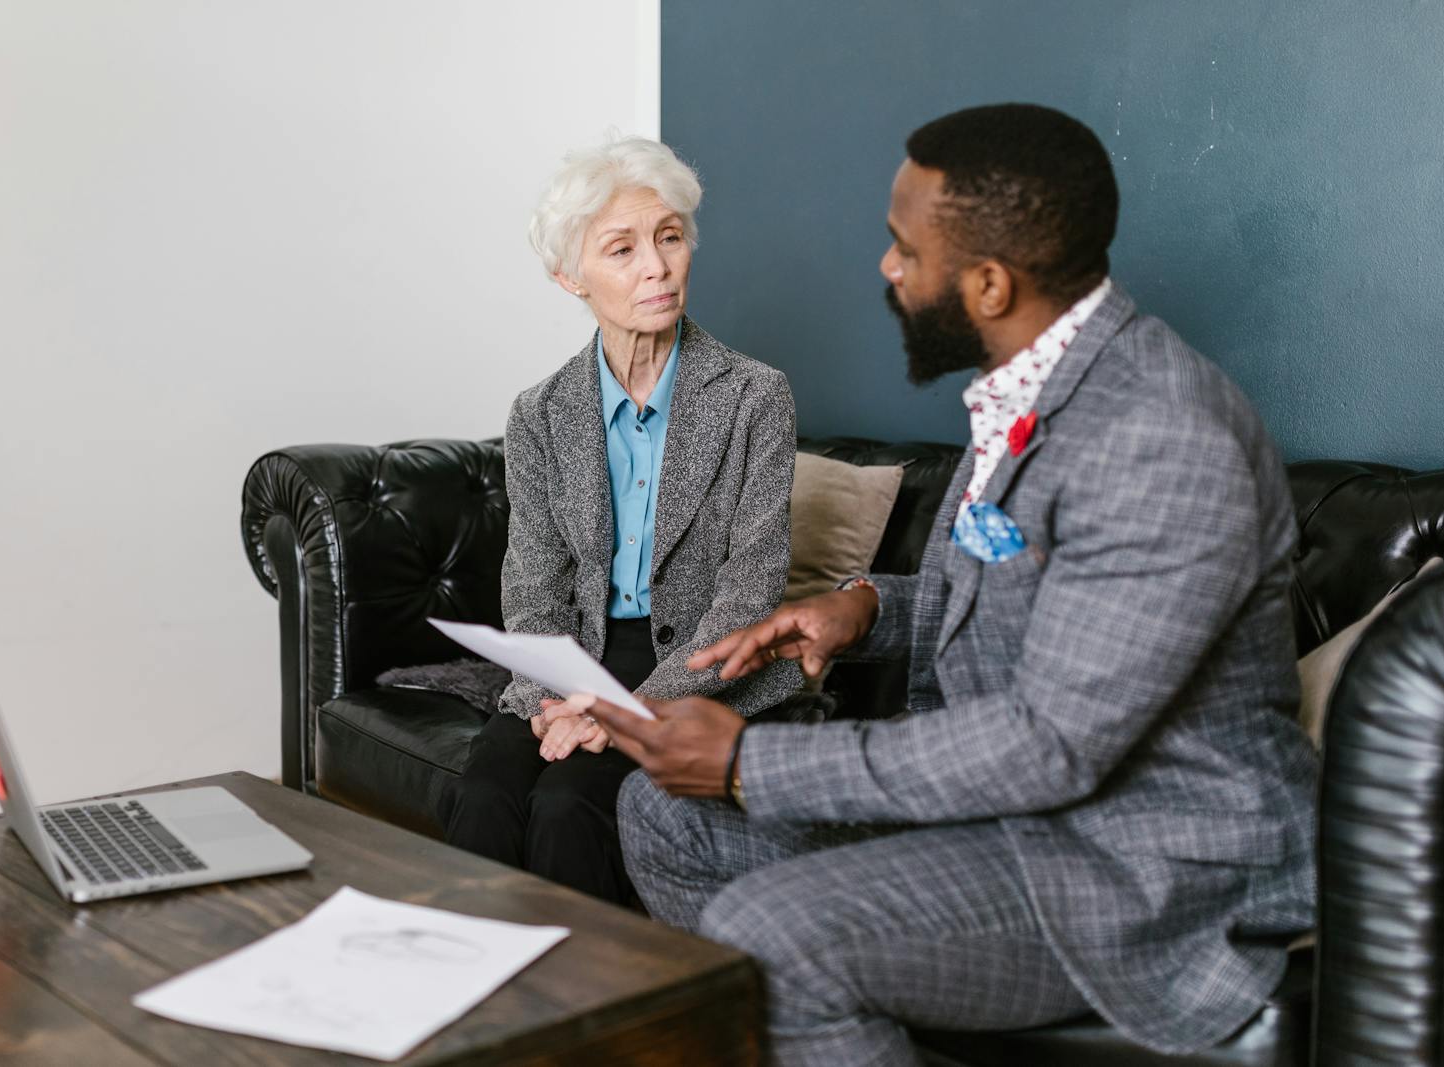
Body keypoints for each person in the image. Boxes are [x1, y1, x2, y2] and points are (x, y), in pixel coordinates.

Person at [585, 104, 1317, 1063]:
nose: (888, 269)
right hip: (1011, 820)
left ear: (988, 281)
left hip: (1141, 868)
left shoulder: (1160, 436)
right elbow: (1043, 606)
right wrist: (866, 607)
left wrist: (746, 764)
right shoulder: (1029, 380)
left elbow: (1052, 742)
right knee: (662, 816)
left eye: (904, 249)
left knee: (779, 931)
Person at [435, 136, 802, 907]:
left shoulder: (755, 397)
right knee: (489, 793)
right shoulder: (539, 414)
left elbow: (748, 596)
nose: (657, 267)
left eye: (669, 237)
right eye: (623, 248)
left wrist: (624, 713)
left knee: (570, 808)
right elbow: (533, 594)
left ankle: (586, 1012)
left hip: (698, 664)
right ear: (571, 276)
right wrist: (560, 700)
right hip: (575, 659)